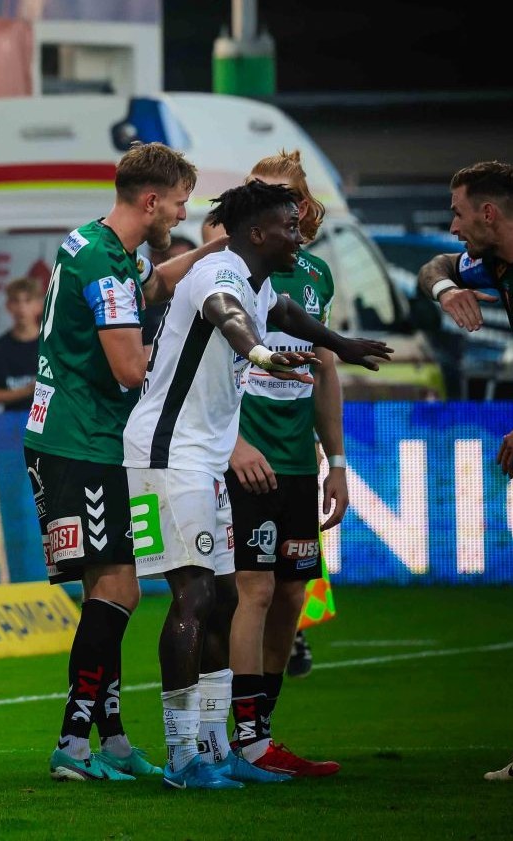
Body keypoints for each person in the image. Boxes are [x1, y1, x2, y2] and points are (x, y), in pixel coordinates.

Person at [122, 179, 391, 790]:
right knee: (194, 596)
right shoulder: (218, 273)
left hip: (206, 456)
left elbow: (283, 311)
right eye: (289, 227)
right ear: (256, 233)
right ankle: (182, 755)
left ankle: (220, 747)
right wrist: (263, 356)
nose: (299, 236)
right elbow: (231, 317)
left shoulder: (254, 276)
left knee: (224, 598)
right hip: (168, 454)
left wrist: (338, 344)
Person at [25, 142, 220, 783]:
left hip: (67, 436)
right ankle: (73, 746)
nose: (182, 214)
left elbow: (157, 282)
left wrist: (219, 253)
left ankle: (109, 741)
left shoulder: (92, 244)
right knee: (119, 590)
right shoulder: (109, 269)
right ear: (151, 201)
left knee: (107, 594)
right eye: (180, 202)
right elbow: (130, 368)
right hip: (86, 443)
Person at [219, 151, 346, 779]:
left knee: (292, 597)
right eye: (260, 193)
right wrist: (228, 445)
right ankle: (238, 739)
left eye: (284, 195)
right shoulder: (234, 272)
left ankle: (259, 735)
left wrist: (339, 463)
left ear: (302, 204)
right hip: (243, 460)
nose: (274, 204)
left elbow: (325, 370)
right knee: (254, 590)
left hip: (298, 461)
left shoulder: (316, 275)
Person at [413, 161, 513, 781]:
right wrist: (446, 290)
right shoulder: (501, 268)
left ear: (489, 213)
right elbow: (429, 270)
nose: (453, 226)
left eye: (460, 213)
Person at [0, 276, 42, 412]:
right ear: (8, 306)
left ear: (38, 305)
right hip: (11, 424)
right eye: (16, 301)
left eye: (27, 301)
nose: (22, 307)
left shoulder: (51, 344)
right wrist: (29, 390)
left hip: (48, 421)